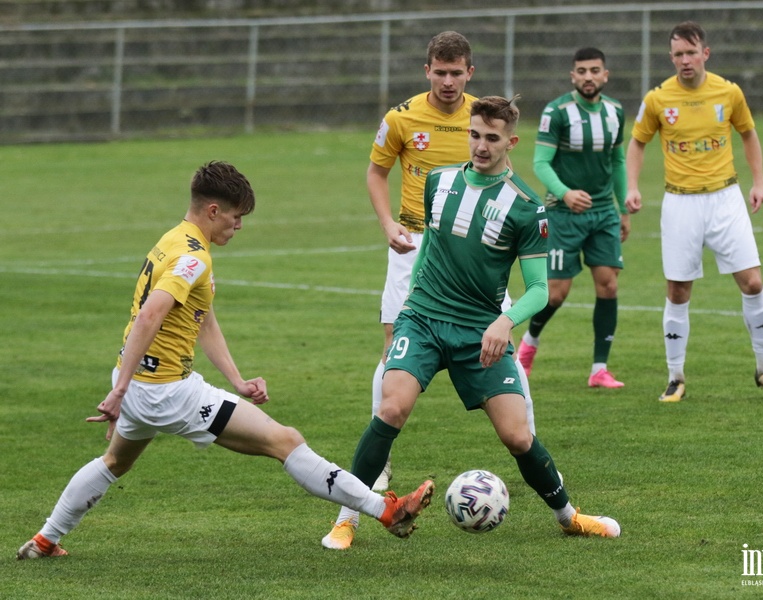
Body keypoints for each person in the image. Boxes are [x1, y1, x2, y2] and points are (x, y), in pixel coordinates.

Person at [16, 161, 434, 560]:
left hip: (146, 385)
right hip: (167, 392)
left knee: (114, 462)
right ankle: (385, 511)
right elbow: (150, 315)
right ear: (213, 210)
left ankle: (45, 540)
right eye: (235, 217)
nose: (239, 226)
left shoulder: (173, 239)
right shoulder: (193, 257)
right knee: (285, 440)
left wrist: (235, 380)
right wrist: (120, 390)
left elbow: (201, 319)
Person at [321, 96, 621, 551]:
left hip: (478, 331)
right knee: (391, 408)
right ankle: (348, 519)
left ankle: (569, 516)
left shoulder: (526, 207)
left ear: (511, 142)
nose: (481, 146)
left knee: (518, 435)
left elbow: (539, 288)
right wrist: (412, 301)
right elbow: (429, 246)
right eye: (475, 135)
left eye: (492, 138)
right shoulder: (438, 181)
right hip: (423, 319)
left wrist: (504, 321)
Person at [367, 30, 537, 491]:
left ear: (470, 72)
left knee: (501, 345)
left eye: (455, 72)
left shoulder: (485, 117)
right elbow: (377, 172)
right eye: (439, 72)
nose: (447, 81)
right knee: (392, 352)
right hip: (415, 243)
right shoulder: (400, 119)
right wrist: (388, 225)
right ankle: (379, 461)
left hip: (481, 246)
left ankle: (527, 439)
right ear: (427, 72)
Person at [624, 20, 763, 403]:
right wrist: (632, 187)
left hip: (725, 198)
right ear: (671, 57)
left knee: (752, 282)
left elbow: (748, 133)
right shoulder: (657, 99)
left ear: (705, 53)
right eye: (678, 54)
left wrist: (759, 181)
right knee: (679, 289)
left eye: (691, 52)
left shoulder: (728, 92)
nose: (685, 60)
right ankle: (675, 377)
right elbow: (636, 143)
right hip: (680, 201)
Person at [517, 47, 629, 389]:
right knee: (555, 293)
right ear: (573, 76)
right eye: (582, 71)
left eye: (595, 70)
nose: (589, 77)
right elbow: (540, 163)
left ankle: (599, 369)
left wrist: (622, 208)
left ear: (605, 75)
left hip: (603, 213)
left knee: (608, 284)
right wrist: (565, 192)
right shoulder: (557, 112)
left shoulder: (615, 111)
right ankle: (528, 345)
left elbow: (618, 162)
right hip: (564, 213)